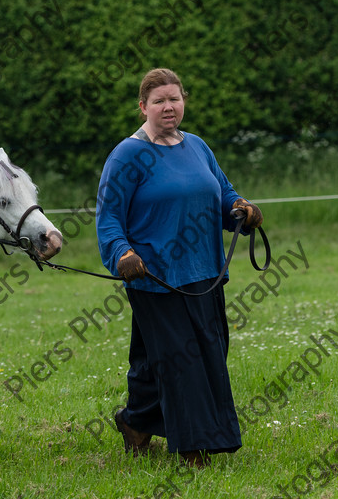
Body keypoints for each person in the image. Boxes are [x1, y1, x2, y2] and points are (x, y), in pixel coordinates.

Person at [96, 68, 263, 468]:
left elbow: (222, 192)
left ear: (183, 100)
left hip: (204, 271)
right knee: (183, 361)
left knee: (192, 354)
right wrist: (121, 253)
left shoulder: (198, 147)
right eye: (159, 101)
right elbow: (109, 217)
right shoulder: (127, 155)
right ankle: (194, 449)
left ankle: (135, 423)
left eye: (174, 98)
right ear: (143, 107)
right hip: (154, 276)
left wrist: (241, 209)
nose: (168, 107)